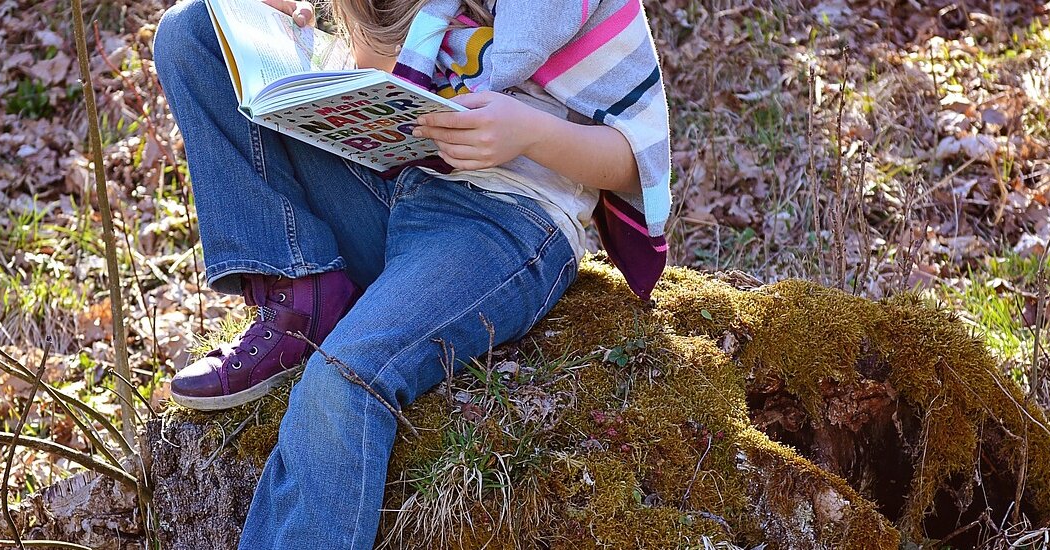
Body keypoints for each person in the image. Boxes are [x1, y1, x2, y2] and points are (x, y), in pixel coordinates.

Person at [150, 0, 673, 545]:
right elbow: (374, 84)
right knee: (195, 30)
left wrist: (530, 134)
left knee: (341, 381)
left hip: (505, 219)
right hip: (395, 179)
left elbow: (636, 159)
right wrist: (286, 27)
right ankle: (304, 289)